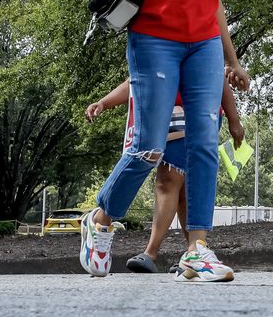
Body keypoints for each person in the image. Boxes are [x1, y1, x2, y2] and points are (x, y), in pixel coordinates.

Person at [80, 0, 250, 281]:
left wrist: (231, 58)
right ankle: (101, 220)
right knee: (150, 147)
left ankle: (197, 249)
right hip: (155, 37)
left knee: (203, 147)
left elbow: (213, 0)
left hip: (204, 46)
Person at [85, 76, 245, 273]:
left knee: (183, 186)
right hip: (169, 114)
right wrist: (104, 102)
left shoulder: (205, 50)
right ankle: (172, 251)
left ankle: (186, 251)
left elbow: (218, 75)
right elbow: (136, 81)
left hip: (204, 114)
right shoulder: (158, 50)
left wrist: (234, 119)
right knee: (169, 179)